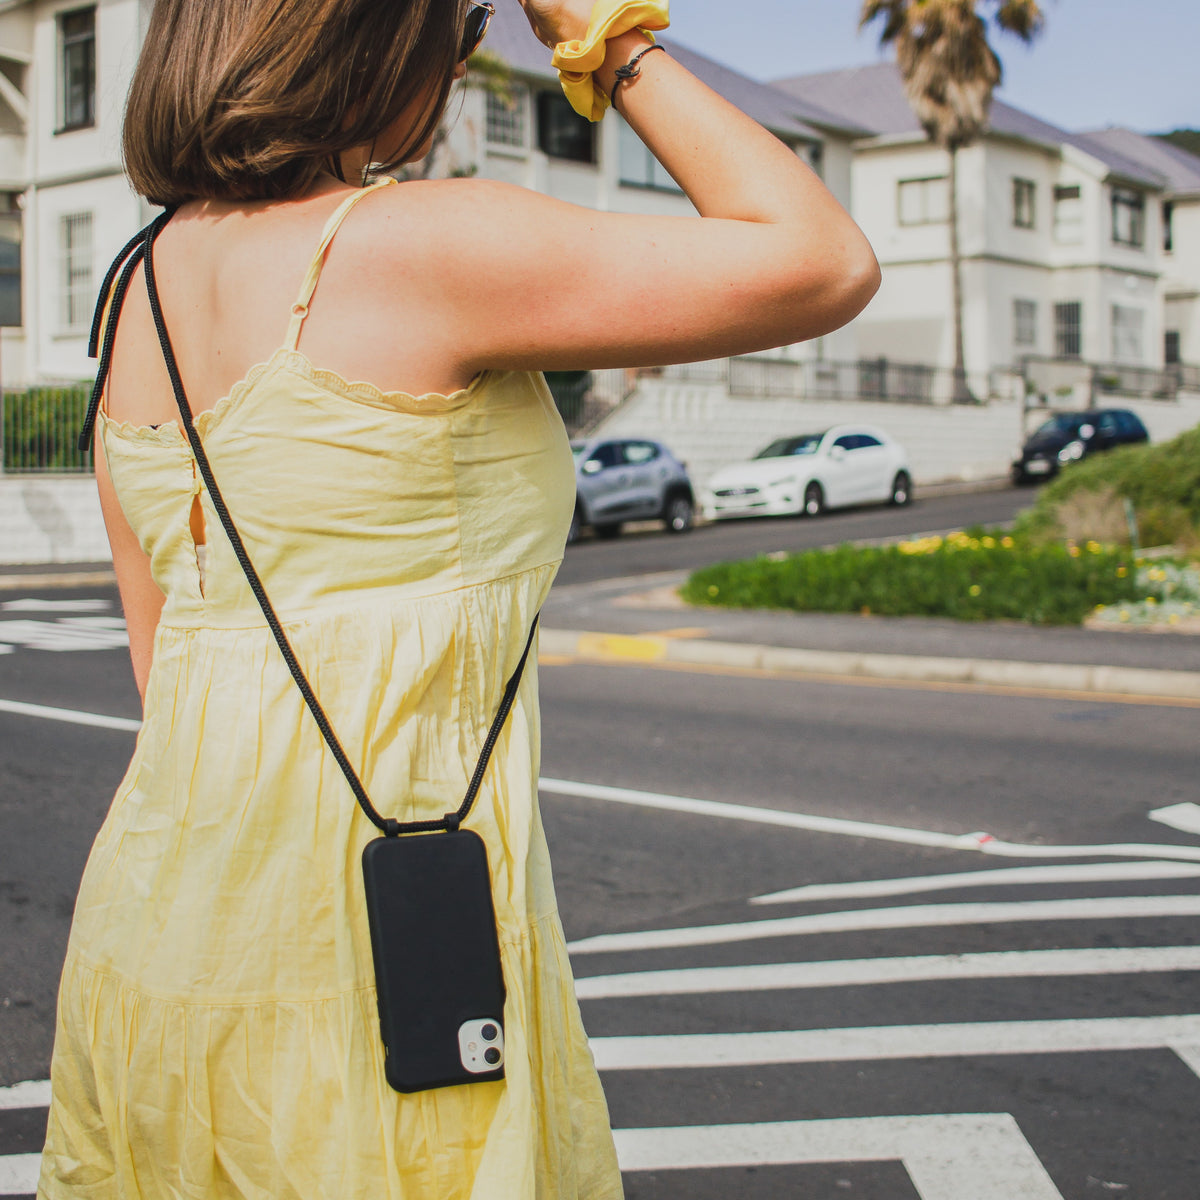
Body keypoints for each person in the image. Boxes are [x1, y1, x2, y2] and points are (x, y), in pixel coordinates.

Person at [38, 0, 880, 1196]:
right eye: (468, 20)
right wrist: (603, 37)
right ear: (373, 33)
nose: (465, 50)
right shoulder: (422, 244)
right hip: (374, 947)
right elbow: (824, 259)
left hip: (167, 919)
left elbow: (164, 658)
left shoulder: (136, 288)